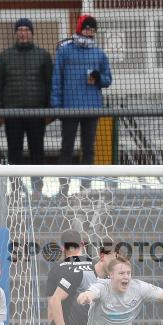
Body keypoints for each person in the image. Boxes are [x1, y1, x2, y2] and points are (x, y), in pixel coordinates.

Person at [50, 14, 112, 195]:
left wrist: (99, 78)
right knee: (67, 148)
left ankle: (86, 189)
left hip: (92, 108)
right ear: (79, 29)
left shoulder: (99, 53)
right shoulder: (64, 51)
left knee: (89, 149)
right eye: (87, 28)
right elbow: (56, 79)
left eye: (92, 29)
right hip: (69, 108)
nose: (89, 31)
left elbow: (108, 79)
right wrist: (56, 106)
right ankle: (63, 189)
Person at [0, 18, 52, 196]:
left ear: (32, 33)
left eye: (26, 30)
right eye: (20, 30)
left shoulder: (43, 55)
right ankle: (15, 189)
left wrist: (51, 110)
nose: (23, 33)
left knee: (37, 151)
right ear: (16, 33)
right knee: (14, 152)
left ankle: (37, 189)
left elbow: (50, 84)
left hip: (37, 113)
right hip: (12, 113)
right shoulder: (4, 56)